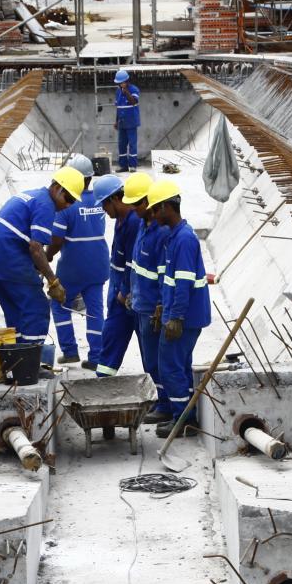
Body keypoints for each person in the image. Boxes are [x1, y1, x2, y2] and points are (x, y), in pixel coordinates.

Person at [0, 168, 85, 365]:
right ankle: (31, 365)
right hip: (9, 258)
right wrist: (53, 280)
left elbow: (30, 242)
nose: (68, 205)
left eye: (72, 202)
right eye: (68, 198)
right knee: (37, 308)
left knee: (16, 313)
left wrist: (36, 270)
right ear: (57, 188)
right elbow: (36, 248)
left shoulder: (34, 195)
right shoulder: (46, 205)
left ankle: (15, 366)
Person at [148, 182, 209, 437]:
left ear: (165, 207)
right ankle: (185, 417)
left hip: (185, 317)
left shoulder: (184, 240)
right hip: (179, 313)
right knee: (179, 365)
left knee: (170, 366)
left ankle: (182, 419)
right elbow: (171, 281)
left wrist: (176, 317)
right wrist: (163, 305)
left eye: (155, 209)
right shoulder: (175, 236)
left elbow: (183, 283)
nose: (152, 215)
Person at [47, 173, 124, 366]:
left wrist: (46, 257)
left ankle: (70, 351)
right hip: (98, 263)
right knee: (95, 310)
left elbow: (56, 239)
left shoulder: (68, 203)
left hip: (72, 266)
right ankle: (97, 356)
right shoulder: (99, 199)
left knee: (59, 305)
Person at [94, 171, 150, 376]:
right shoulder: (121, 220)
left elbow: (133, 262)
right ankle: (102, 382)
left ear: (116, 199)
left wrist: (125, 291)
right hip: (119, 290)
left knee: (148, 346)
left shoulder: (135, 222)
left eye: (104, 204)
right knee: (111, 338)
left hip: (131, 293)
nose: (103, 210)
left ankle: (158, 391)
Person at [128, 177, 174, 419]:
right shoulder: (142, 227)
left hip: (152, 309)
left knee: (158, 360)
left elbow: (163, 275)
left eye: (137, 204)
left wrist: (160, 306)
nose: (133, 209)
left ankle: (165, 405)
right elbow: (139, 267)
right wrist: (131, 293)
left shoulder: (162, 234)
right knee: (148, 359)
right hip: (140, 305)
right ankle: (157, 400)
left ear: (149, 201)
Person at [113, 69, 140, 172]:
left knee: (132, 144)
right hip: (122, 122)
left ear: (126, 81)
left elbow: (133, 102)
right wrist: (116, 121)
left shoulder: (134, 89)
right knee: (121, 144)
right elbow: (118, 107)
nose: (120, 85)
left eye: (121, 83)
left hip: (132, 122)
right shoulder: (118, 92)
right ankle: (123, 165)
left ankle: (133, 166)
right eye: (119, 83)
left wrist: (126, 92)